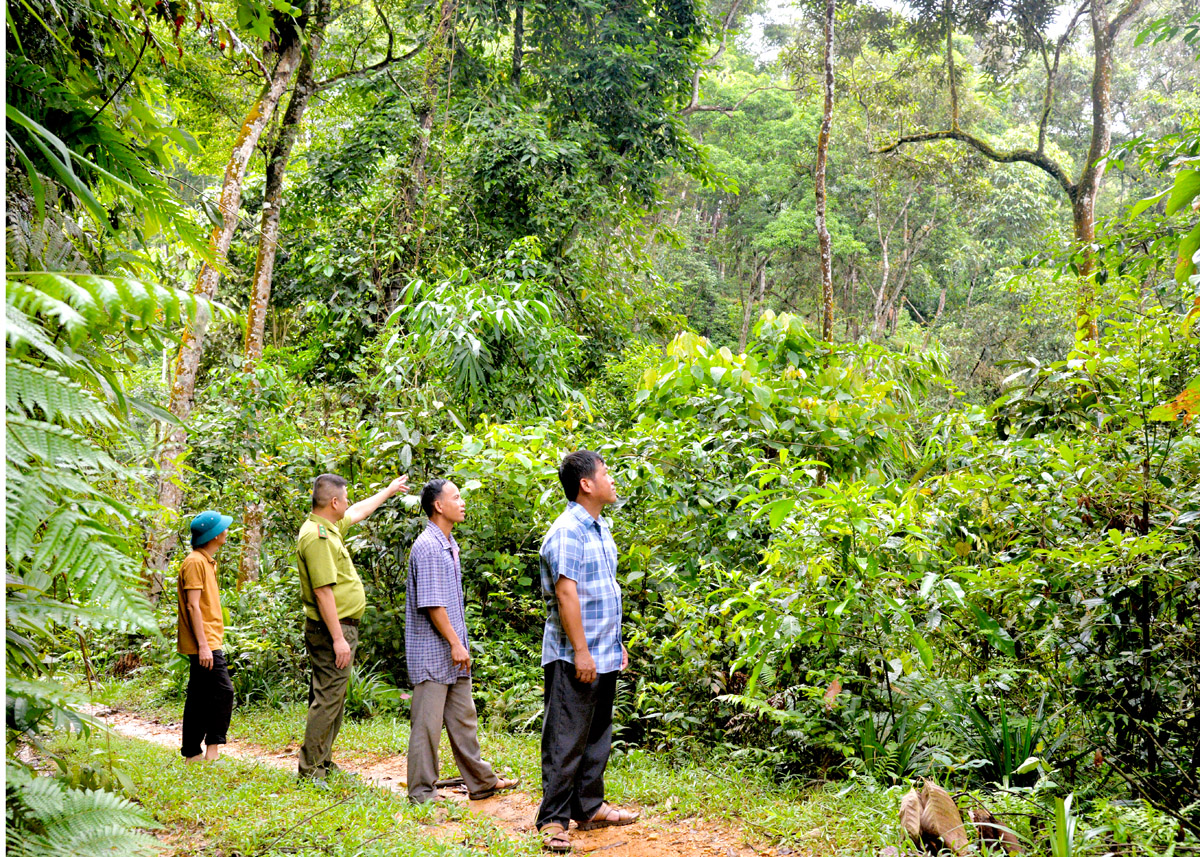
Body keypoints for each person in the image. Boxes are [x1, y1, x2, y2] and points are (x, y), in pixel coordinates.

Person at [536, 451, 638, 853]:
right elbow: (566, 593)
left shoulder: (599, 528)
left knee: (597, 734)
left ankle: (589, 807)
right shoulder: (567, 531)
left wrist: (615, 644)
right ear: (586, 484)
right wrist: (581, 651)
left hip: (603, 650)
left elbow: (603, 591)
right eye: (605, 473)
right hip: (574, 653)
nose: (611, 479)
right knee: (566, 737)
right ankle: (553, 820)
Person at [404, 478, 520, 803]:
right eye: (456, 497)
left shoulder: (448, 543)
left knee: (464, 719)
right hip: (433, 653)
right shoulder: (427, 546)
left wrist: (459, 645)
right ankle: (421, 794)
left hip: (453, 653)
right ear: (439, 505)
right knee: (427, 728)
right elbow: (432, 604)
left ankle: (482, 782)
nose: (462, 501)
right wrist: (457, 643)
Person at [296, 472, 408, 781]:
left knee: (333, 698)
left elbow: (359, 510)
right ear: (333, 502)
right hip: (333, 629)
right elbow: (322, 591)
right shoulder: (316, 537)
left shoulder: (328, 527)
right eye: (344, 498)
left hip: (340, 627)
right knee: (327, 699)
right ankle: (311, 771)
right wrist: (338, 639)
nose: (348, 503)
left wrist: (387, 491)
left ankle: (322, 761)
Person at [177, 509, 235, 762]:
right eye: (223, 528)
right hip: (205, 642)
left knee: (199, 696)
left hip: (209, 640)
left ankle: (193, 754)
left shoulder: (205, 561)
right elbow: (193, 605)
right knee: (223, 691)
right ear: (213, 535)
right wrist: (204, 646)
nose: (226, 531)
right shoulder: (195, 562)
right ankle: (210, 750)